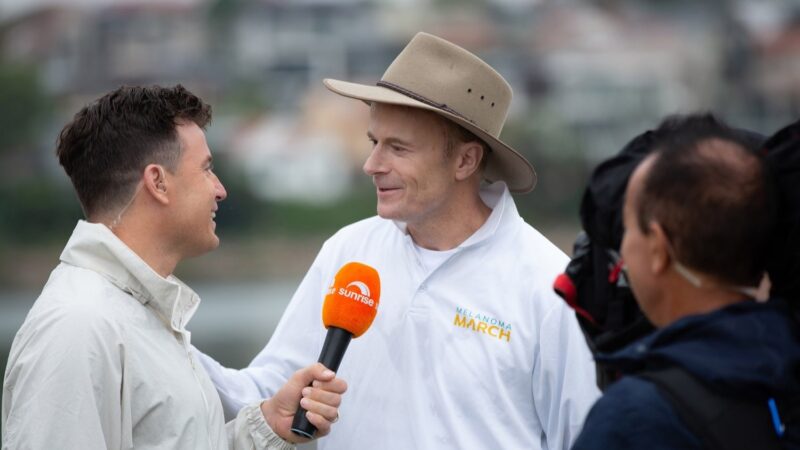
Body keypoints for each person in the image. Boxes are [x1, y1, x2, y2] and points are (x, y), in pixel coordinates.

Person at [196, 32, 600, 449]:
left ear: (466, 160)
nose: (371, 164)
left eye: (398, 148)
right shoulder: (348, 250)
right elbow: (269, 389)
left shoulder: (551, 287)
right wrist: (154, 338)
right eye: (374, 142)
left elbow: (585, 438)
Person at [1, 85, 346, 450]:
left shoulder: (139, 315)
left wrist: (265, 426)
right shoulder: (79, 325)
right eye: (206, 169)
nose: (220, 189)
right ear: (158, 182)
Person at [571, 114, 800, 449]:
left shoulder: (635, 418)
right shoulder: (784, 370)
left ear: (659, 248)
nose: (623, 248)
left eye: (630, 228)